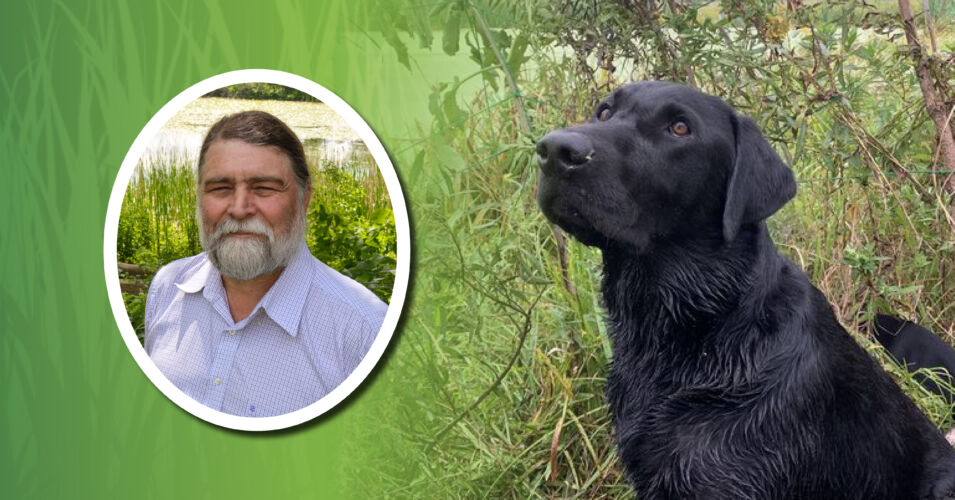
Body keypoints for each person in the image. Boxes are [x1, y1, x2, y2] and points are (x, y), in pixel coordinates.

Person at [144, 110, 387, 418]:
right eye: (220, 188)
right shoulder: (168, 288)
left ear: (304, 197)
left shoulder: (365, 332)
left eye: (264, 188)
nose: (240, 208)